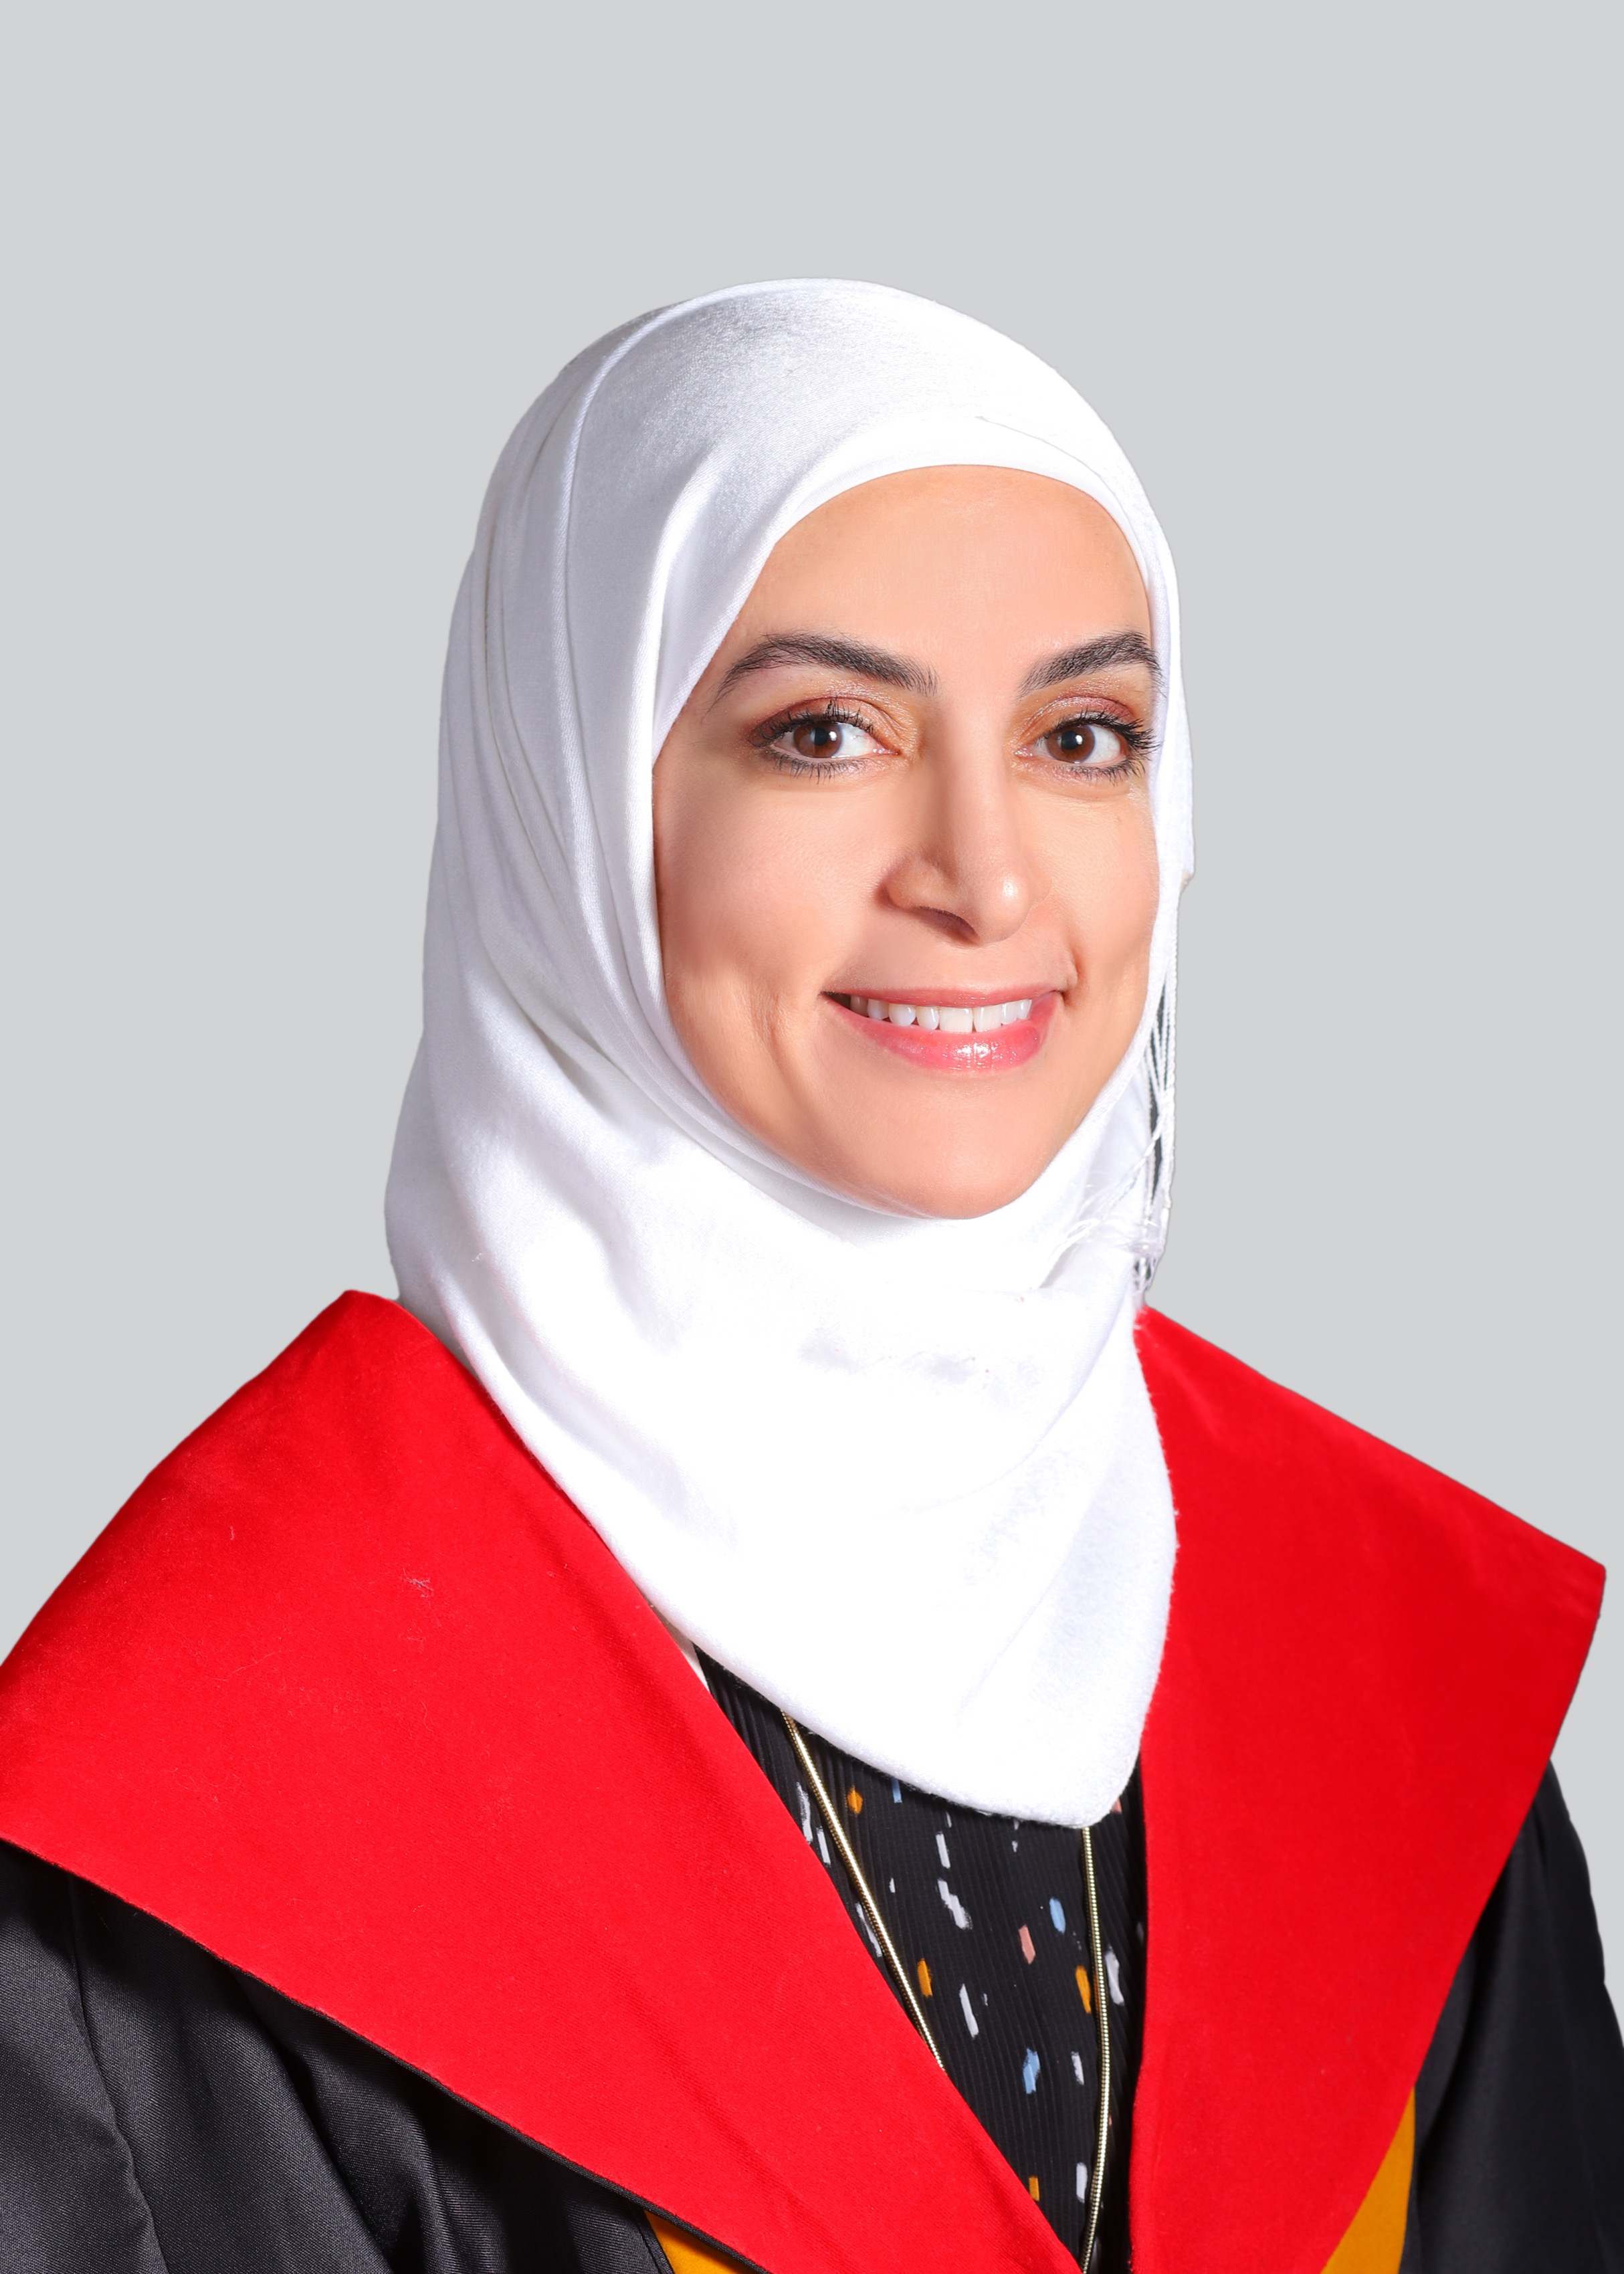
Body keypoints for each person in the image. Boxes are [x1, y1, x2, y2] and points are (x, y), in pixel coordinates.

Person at [0, 282, 1617, 2274]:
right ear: (573, 803)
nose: (985, 878)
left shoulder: (1382, 1678)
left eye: (1082, 738)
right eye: (824, 734)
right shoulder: (203, 1797)